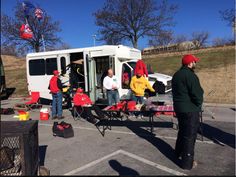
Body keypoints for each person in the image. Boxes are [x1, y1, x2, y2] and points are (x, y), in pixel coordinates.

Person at [172, 54, 204, 170]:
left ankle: (178, 153)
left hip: (179, 108)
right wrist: (199, 102)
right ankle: (187, 163)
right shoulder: (191, 76)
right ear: (190, 63)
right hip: (190, 110)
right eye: (194, 62)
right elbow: (197, 94)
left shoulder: (176, 75)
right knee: (190, 136)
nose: (195, 64)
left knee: (182, 132)